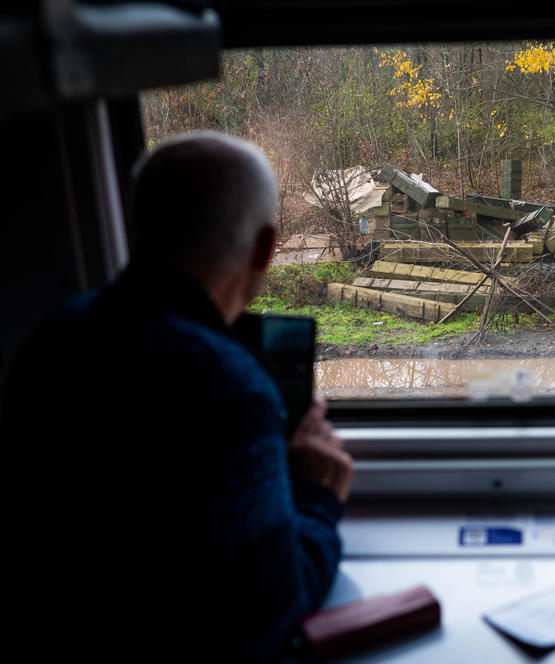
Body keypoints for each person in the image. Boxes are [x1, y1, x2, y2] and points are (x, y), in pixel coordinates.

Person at [1, 132, 353, 661]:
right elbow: (267, 616)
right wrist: (317, 499)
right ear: (265, 247)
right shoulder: (227, 384)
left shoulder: (50, 340)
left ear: (134, 229)